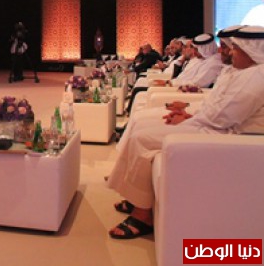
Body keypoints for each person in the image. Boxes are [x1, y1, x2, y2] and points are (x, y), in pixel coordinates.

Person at [107, 25, 264, 240]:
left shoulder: (256, 77)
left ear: (251, 51)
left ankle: (143, 216)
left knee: (143, 139)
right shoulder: (241, 72)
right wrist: (190, 112)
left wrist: (189, 117)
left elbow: (222, 116)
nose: (224, 51)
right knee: (142, 127)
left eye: (234, 48)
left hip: (228, 136)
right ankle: (137, 199)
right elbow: (214, 104)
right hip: (213, 125)